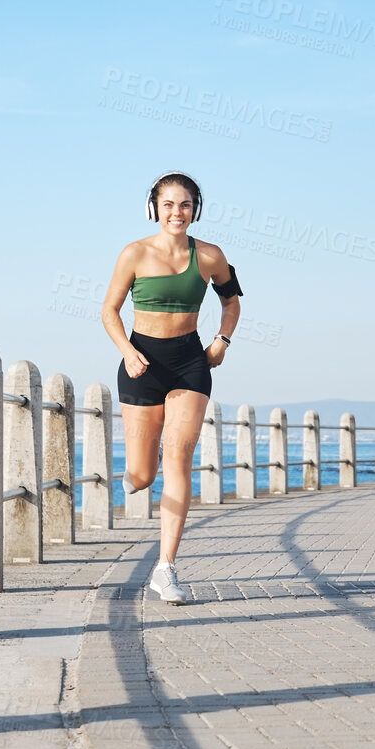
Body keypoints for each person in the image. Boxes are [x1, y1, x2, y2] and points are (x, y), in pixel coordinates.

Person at [100, 171, 241, 603]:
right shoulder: (135, 254)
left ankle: (165, 569)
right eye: (168, 204)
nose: (176, 212)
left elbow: (232, 301)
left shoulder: (211, 256)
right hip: (143, 363)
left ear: (195, 210)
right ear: (154, 208)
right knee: (142, 477)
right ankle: (144, 464)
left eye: (184, 204)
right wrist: (126, 350)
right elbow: (109, 309)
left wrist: (222, 340)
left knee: (179, 458)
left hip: (189, 364)